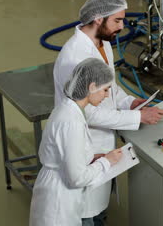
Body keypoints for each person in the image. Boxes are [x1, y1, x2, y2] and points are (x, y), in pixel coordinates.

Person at [53, 0, 163, 225]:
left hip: (102, 142)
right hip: (85, 143)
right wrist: (137, 117)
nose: (122, 26)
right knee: (84, 211)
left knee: (98, 207)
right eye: (117, 20)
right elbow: (87, 111)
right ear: (98, 18)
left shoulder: (102, 43)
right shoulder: (75, 57)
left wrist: (129, 102)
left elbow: (110, 87)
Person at [30, 58, 123, 226]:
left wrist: (90, 158)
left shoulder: (69, 108)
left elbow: (65, 153)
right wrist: (106, 162)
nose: (107, 95)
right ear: (92, 87)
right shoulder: (72, 122)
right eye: (106, 89)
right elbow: (77, 178)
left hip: (57, 191)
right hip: (59, 201)